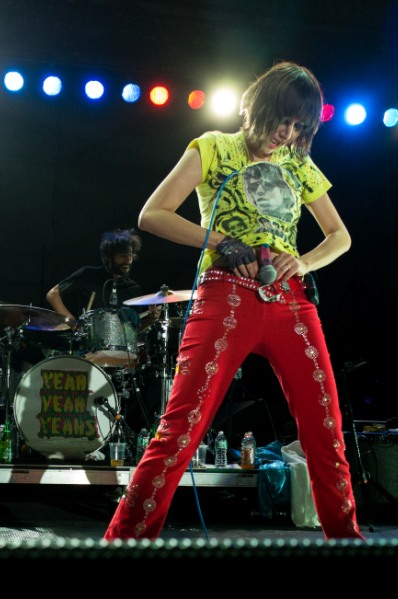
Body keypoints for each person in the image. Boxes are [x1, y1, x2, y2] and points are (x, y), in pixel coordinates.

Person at [104, 61, 365, 541]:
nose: (285, 133)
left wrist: (303, 262)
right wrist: (219, 239)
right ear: (257, 106)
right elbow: (153, 213)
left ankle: (346, 539)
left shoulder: (299, 164)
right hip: (225, 293)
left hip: (289, 301)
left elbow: (340, 236)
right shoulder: (213, 147)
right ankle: (123, 542)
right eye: (280, 120)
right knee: (180, 427)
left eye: (297, 127)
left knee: (324, 429)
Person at [46, 228, 162, 429]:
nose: (128, 259)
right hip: (86, 349)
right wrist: (72, 322)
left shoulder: (133, 289)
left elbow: (131, 332)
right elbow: (53, 294)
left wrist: (150, 320)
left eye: (131, 254)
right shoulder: (88, 275)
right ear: (109, 257)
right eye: (122, 254)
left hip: (120, 356)